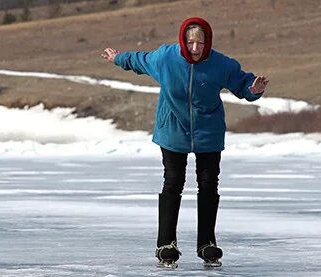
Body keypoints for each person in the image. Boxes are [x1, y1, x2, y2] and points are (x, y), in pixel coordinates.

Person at [101, 17, 268, 268]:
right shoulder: (166, 58)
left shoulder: (221, 64)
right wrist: (118, 58)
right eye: (190, 42)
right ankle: (165, 245)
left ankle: (207, 245)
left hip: (208, 132)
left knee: (209, 185)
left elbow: (242, 82)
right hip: (173, 130)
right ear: (183, 40)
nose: (195, 48)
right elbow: (139, 60)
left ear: (207, 42)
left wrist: (253, 89)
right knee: (173, 183)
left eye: (200, 43)